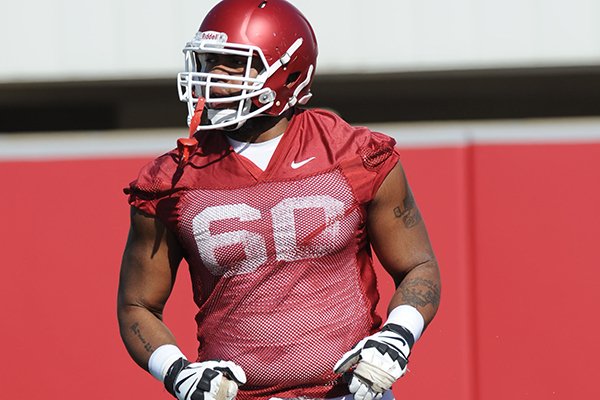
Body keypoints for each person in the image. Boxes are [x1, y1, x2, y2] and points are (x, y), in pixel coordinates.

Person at [117, 1, 441, 400]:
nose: (214, 76)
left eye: (234, 64)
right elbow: (137, 305)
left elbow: (417, 265)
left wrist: (396, 336)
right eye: (210, 61)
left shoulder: (354, 155)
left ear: (288, 71)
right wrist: (178, 373)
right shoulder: (171, 180)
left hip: (352, 393)